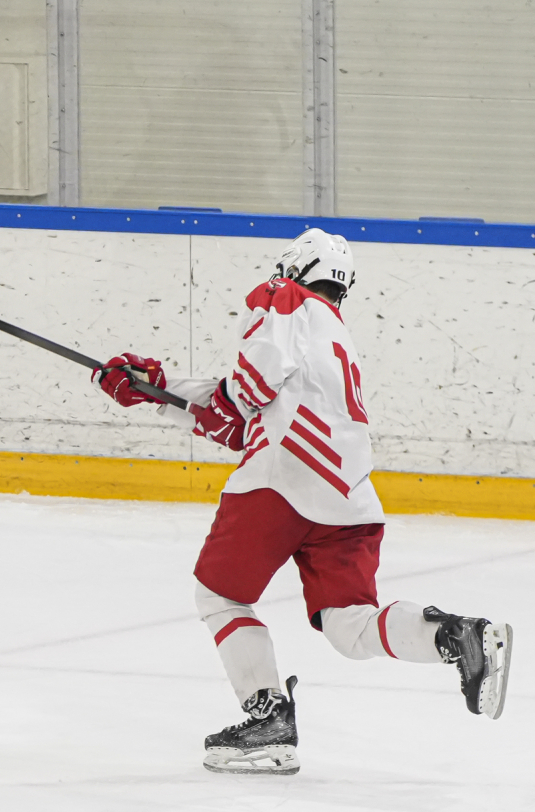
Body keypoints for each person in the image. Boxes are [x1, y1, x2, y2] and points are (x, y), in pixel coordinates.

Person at [93, 228, 512, 776]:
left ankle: (269, 718)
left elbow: (251, 387)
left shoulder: (283, 297)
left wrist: (206, 397)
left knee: (220, 595)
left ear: (294, 267)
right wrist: (158, 390)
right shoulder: (331, 333)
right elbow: (243, 417)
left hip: (284, 477)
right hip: (349, 493)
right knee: (350, 627)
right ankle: (457, 636)